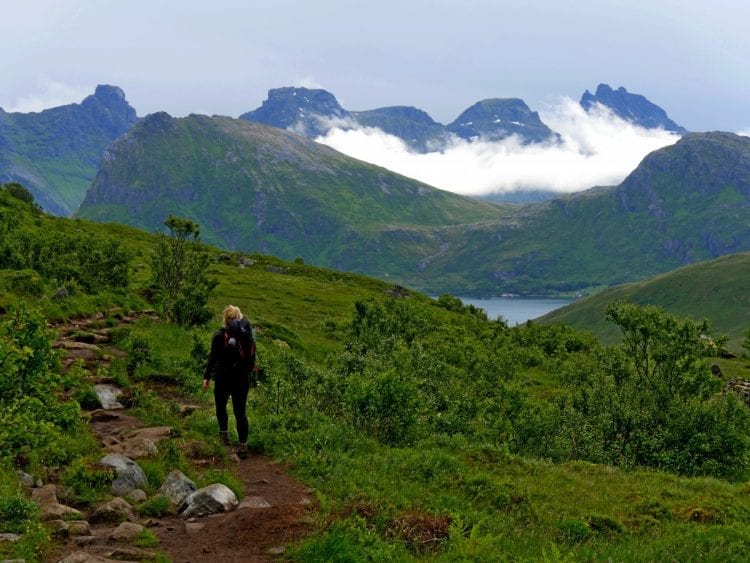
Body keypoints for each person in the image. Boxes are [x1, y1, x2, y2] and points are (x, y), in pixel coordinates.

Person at [203, 304, 255, 459]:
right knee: (240, 412)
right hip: (242, 378)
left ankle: (224, 436)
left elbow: (213, 358)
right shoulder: (247, 336)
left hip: (223, 377)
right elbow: (251, 358)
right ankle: (243, 445)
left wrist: (206, 377)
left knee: (221, 406)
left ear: (225, 320)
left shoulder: (219, 335)